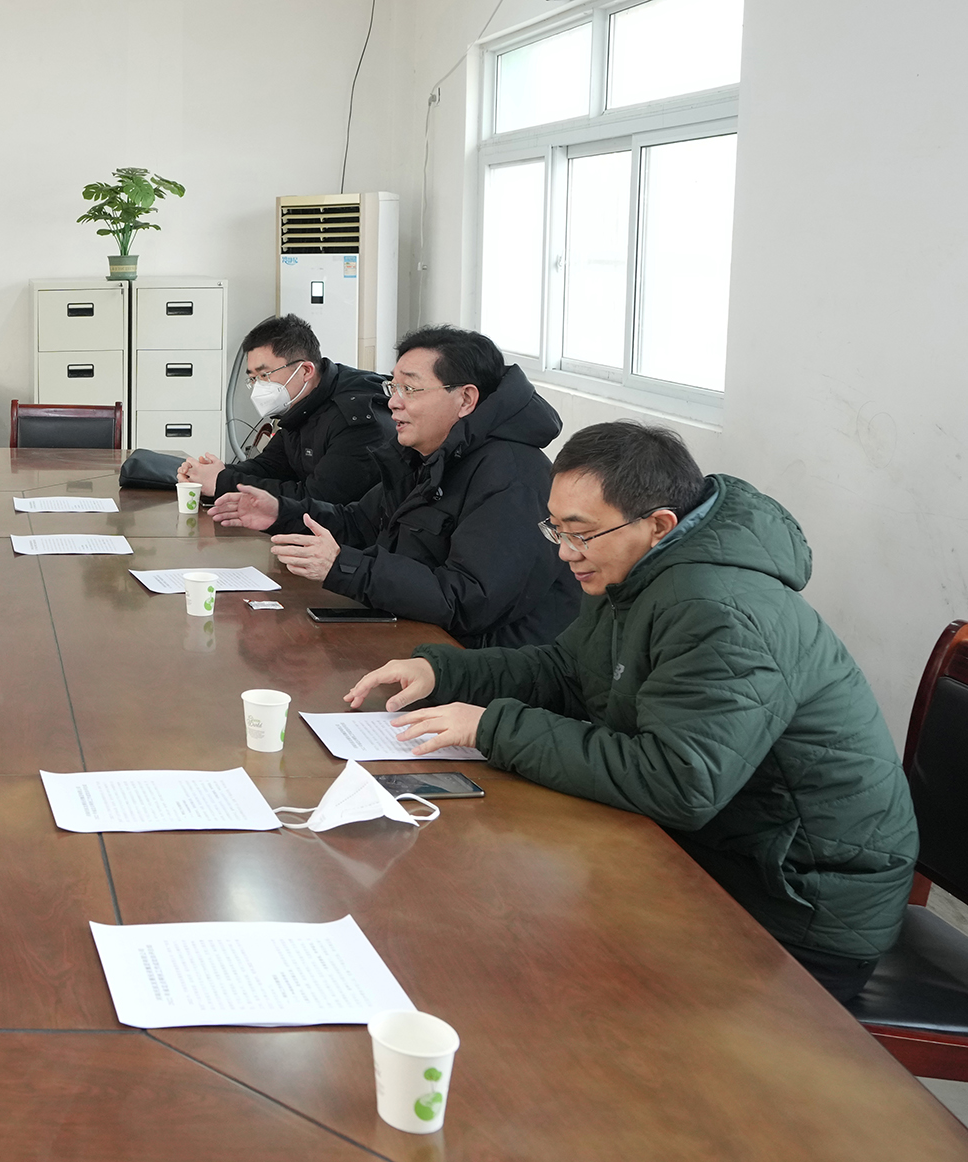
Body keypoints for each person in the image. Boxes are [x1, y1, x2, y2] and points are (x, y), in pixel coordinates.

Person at [346, 422, 916, 1002]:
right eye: (556, 529)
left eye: (581, 533)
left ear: (659, 525)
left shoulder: (720, 611)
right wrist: (445, 673)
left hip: (793, 905)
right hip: (714, 853)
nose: (565, 552)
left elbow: (678, 782)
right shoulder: (641, 570)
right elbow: (568, 671)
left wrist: (490, 726)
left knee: (520, 967)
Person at [212, 325, 579, 648]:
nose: (393, 403)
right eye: (394, 386)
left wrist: (344, 566)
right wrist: (280, 512)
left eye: (410, 389)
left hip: (482, 668)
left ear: (465, 399)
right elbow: (360, 523)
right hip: (418, 636)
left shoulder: (512, 478)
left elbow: (468, 600)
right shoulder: (425, 455)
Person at [177, 314, 394, 505]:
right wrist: (214, 473)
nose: (259, 386)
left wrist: (223, 482)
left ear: (306, 370)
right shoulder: (304, 405)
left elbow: (318, 499)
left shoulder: (356, 421)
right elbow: (271, 467)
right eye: (253, 378)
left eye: (265, 375)